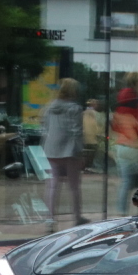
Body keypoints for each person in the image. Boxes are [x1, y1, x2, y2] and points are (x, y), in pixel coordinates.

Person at [41, 77, 85, 226]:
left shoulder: (50, 107)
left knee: (53, 184)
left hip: (51, 148)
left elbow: (45, 128)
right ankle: (77, 217)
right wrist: (80, 151)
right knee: (74, 185)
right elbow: (77, 131)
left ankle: (50, 218)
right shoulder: (75, 108)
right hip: (69, 150)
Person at [111, 72, 138, 212]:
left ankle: (122, 213)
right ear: (137, 84)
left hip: (121, 147)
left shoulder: (120, 103)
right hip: (136, 147)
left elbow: (114, 126)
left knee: (126, 182)